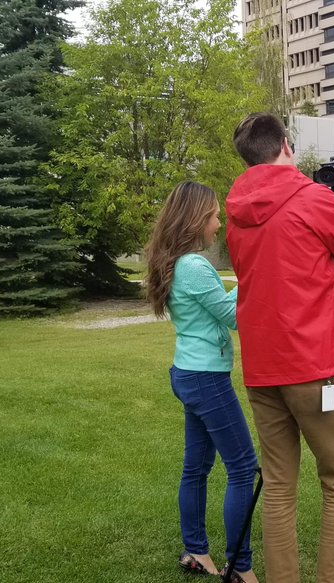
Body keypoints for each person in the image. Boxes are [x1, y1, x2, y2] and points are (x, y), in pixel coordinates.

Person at [225, 113, 334, 583]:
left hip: (263, 368)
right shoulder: (310, 199)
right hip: (316, 367)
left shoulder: (236, 212)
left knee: (279, 486)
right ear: (285, 145)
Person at [144, 181, 260, 583]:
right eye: (213, 215)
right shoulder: (193, 265)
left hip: (187, 373)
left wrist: (235, 287)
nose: (218, 222)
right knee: (243, 467)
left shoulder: (175, 261)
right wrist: (252, 271)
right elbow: (232, 316)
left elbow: (217, 305)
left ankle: (195, 550)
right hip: (206, 379)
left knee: (196, 467)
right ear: (196, 219)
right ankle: (240, 567)